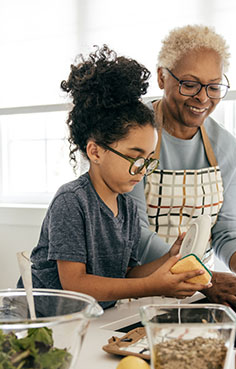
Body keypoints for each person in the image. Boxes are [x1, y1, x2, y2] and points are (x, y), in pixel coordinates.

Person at [24, 45, 211, 309]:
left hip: (86, 321)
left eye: (148, 160)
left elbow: (125, 275)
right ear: (95, 151)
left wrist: (170, 258)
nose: (143, 169)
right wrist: (153, 286)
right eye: (135, 158)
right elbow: (75, 284)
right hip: (40, 322)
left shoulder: (127, 207)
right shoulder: (71, 202)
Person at [128, 25, 236, 319]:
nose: (203, 98)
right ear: (162, 76)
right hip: (133, 292)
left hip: (195, 294)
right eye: (189, 84)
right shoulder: (133, 134)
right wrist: (204, 277)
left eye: (214, 86)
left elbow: (228, 231)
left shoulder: (226, 147)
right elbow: (135, 234)